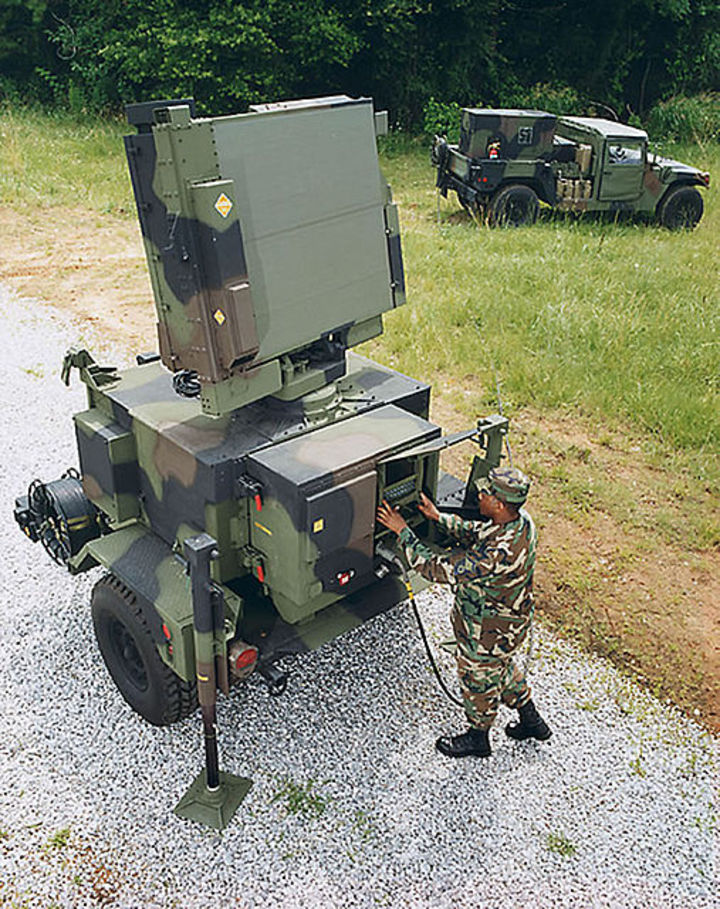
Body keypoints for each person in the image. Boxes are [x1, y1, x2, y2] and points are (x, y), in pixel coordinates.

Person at [376, 466, 551, 758]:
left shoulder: (497, 554)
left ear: (498, 504)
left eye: (485, 493)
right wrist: (437, 517)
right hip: (509, 625)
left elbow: (435, 568)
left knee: (478, 679)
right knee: (502, 666)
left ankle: (477, 738)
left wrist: (402, 530)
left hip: (487, 631)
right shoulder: (520, 524)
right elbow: (478, 531)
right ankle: (531, 719)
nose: (479, 495)